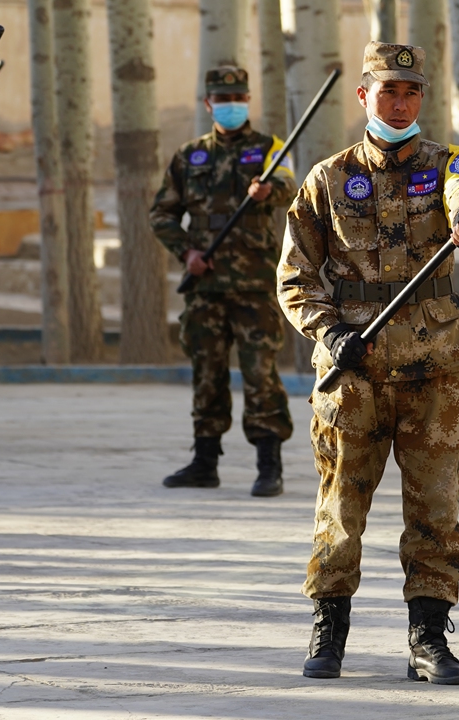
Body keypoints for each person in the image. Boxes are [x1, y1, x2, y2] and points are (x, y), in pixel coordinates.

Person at [277, 41, 459, 685]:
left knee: (435, 509)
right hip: (354, 370)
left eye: (412, 92)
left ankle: (428, 638)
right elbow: (294, 277)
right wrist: (330, 332)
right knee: (341, 504)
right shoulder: (327, 177)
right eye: (389, 91)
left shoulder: (449, 162)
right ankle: (329, 629)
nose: (401, 103)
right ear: (365, 96)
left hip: (433, 370)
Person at [150, 66, 297, 497]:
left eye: (239, 97)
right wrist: (186, 252)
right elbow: (162, 213)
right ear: (208, 103)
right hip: (206, 285)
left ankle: (269, 465)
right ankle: (204, 461)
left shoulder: (269, 149)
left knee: (261, 374)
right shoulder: (188, 156)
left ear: (248, 100)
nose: (232, 104)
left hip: (254, 284)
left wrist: (269, 192)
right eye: (223, 98)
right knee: (207, 374)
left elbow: (289, 184)